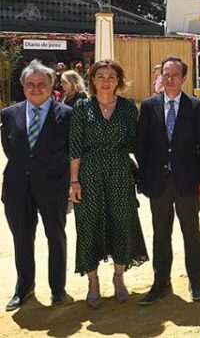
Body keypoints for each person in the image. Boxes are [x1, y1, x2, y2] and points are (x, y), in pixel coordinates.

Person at [68, 59, 148, 309]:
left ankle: (119, 277)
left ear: (118, 81)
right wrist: (74, 181)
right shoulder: (82, 107)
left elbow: (138, 144)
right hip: (89, 174)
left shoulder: (127, 108)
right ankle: (92, 282)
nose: (106, 81)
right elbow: (75, 147)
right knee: (89, 224)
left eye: (111, 76)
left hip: (120, 173)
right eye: (100, 76)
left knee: (122, 221)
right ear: (91, 80)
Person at [136, 56, 200, 306]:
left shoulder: (197, 106)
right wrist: (144, 179)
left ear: (184, 78)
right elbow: (141, 146)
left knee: (191, 232)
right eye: (165, 75)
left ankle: (196, 281)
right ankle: (161, 283)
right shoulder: (148, 106)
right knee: (160, 234)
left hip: (188, 182)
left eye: (175, 75)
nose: (169, 79)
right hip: (158, 183)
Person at [1, 60, 72, 311]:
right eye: (30, 84)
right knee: (22, 238)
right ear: (23, 87)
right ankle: (24, 287)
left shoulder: (66, 115)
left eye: (42, 84)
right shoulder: (9, 115)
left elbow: (71, 152)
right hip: (17, 188)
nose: (36, 88)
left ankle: (58, 289)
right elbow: (10, 148)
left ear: (52, 84)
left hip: (53, 187)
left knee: (56, 237)